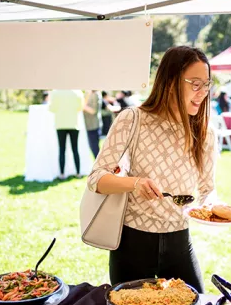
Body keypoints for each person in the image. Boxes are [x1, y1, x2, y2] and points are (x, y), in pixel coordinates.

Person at [87, 46, 217, 292]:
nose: (203, 93)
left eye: (207, 84)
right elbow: (96, 178)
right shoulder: (132, 119)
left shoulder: (205, 132)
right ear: (169, 83)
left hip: (180, 240)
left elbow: (207, 189)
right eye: (195, 84)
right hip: (133, 243)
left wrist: (214, 207)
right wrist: (135, 183)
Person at [48, 89, 83, 178]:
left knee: (62, 149)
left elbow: (51, 108)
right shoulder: (77, 92)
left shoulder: (56, 92)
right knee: (75, 149)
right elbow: (80, 107)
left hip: (60, 125)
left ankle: (62, 174)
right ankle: (78, 173)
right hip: (74, 124)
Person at [83, 90, 102, 159]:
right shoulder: (87, 93)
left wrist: (82, 106)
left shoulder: (96, 94)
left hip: (93, 126)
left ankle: (99, 167)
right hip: (87, 126)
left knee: (95, 148)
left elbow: (93, 111)